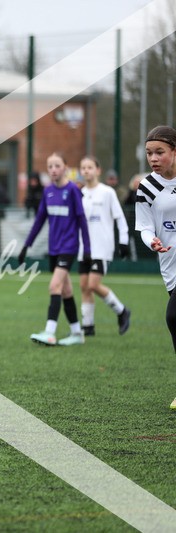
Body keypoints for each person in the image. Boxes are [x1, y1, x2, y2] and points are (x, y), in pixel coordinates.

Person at [19, 152, 91, 346]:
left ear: (66, 168)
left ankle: (50, 332)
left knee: (54, 286)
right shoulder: (48, 191)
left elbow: (82, 221)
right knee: (66, 290)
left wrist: (87, 249)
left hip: (69, 247)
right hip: (54, 248)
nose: (53, 170)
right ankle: (77, 333)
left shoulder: (73, 190)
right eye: (50, 166)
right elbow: (40, 220)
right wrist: (26, 245)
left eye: (57, 166)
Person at [134, 125, 176, 410]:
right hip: (171, 267)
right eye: (149, 153)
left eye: (159, 152)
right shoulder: (148, 186)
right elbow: (145, 227)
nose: (153, 158)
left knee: (174, 317)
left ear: (174, 151)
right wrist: (153, 242)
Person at [76, 156, 131, 337]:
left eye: (90, 167)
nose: (86, 171)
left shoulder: (107, 192)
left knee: (93, 284)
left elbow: (120, 218)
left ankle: (122, 311)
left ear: (98, 170)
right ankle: (88, 326)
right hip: (84, 248)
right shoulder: (80, 194)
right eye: (83, 168)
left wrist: (123, 241)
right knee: (84, 286)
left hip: (102, 247)